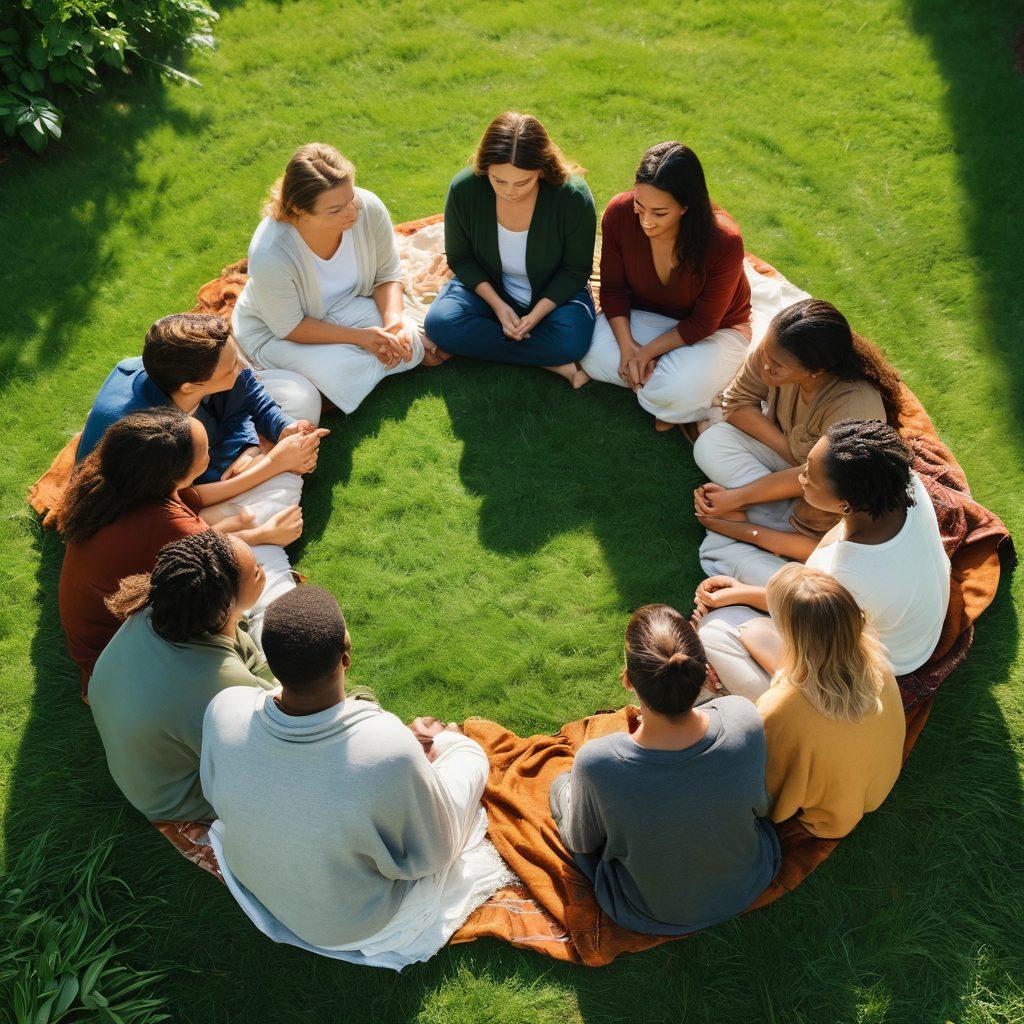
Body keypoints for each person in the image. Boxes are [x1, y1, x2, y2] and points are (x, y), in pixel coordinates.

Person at [201, 586, 507, 968]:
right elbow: (435, 852)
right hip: (346, 924)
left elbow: (215, 794)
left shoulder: (223, 708)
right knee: (468, 758)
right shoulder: (385, 746)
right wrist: (449, 746)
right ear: (345, 655)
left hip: (258, 881)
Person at [77, 313, 326, 624]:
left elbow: (247, 390)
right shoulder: (153, 435)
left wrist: (274, 432)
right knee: (255, 510)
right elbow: (180, 505)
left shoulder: (192, 365)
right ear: (192, 386)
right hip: (166, 502)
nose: (242, 368)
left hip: (202, 472)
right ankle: (267, 584)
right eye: (232, 366)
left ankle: (265, 475)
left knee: (301, 396)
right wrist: (275, 464)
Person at [549, 604, 780, 935]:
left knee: (561, 785)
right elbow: (760, 806)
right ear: (704, 671)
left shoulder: (598, 763)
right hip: (750, 882)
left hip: (650, 911)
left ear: (628, 680)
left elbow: (583, 842)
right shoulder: (743, 717)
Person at [694, 419, 951, 701]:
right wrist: (742, 533)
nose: (800, 477)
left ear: (845, 503)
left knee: (715, 627)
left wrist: (740, 593)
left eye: (809, 477)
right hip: (885, 618)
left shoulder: (849, 575)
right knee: (725, 553)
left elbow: (811, 613)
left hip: (867, 661)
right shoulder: (901, 485)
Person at [56, 409, 291, 691]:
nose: (211, 456)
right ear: (176, 472)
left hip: (94, 642)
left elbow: (192, 501)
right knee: (235, 601)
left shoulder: (112, 484)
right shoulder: (168, 524)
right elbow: (216, 557)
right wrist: (263, 534)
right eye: (205, 452)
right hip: (118, 662)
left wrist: (271, 467)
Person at [694, 299, 903, 581]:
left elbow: (824, 488)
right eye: (765, 353)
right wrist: (796, 456)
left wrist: (737, 501)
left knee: (717, 551)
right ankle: (761, 510)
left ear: (816, 370)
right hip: (806, 472)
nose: (764, 366)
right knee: (711, 442)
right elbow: (737, 404)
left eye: (777, 366)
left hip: (823, 502)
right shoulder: (775, 351)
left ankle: (759, 513)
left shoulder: (854, 406)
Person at [233, 142, 435, 416]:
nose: (352, 211)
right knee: (339, 369)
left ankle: (361, 372)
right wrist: (362, 339)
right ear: (299, 210)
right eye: (335, 210)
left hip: (347, 306)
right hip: (277, 333)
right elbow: (290, 327)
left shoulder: (368, 208)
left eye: (350, 198)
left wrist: (394, 323)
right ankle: (354, 371)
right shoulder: (271, 252)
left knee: (408, 336)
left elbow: (387, 274)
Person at [89, 531, 274, 823]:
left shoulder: (159, 608)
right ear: (226, 605)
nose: (263, 570)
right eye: (255, 572)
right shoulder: (221, 682)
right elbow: (271, 749)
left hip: (142, 767)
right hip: (176, 801)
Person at [578, 142, 752, 430]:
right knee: (589, 350)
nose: (646, 221)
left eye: (659, 213)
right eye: (639, 205)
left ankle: (666, 391)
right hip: (647, 315)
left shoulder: (723, 240)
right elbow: (612, 291)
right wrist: (627, 348)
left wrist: (646, 353)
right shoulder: (619, 214)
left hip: (716, 330)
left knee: (676, 388)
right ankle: (667, 398)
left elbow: (703, 323)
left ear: (686, 206)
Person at [423, 112, 597, 384]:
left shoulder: (572, 196)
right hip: (488, 288)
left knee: (573, 340)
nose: (509, 191)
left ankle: (480, 344)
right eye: (499, 180)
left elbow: (575, 270)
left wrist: (535, 315)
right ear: (485, 168)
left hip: (553, 294)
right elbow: (461, 258)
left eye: (522, 182)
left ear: (542, 170)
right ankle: (553, 365)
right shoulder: (464, 188)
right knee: (440, 324)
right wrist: (499, 307)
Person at [754, 564, 906, 839]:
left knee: (721, 637)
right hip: (878, 782)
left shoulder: (778, 709)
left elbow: (764, 786)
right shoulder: (876, 656)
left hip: (830, 818)